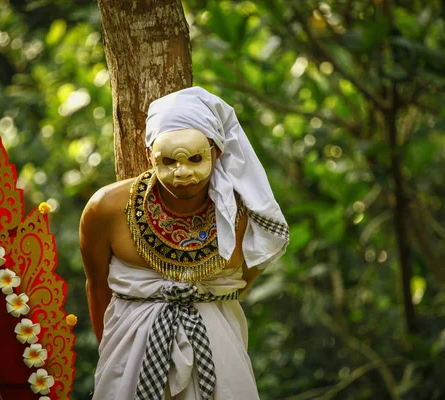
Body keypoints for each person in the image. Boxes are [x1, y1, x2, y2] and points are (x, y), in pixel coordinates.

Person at [80, 87, 289, 399]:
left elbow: (244, 281)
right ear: (146, 148)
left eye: (195, 158)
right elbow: (97, 287)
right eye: (168, 160)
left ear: (217, 150)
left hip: (222, 363)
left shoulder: (243, 216)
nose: (183, 174)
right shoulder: (106, 209)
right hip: (127, 363)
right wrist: (114, 353)